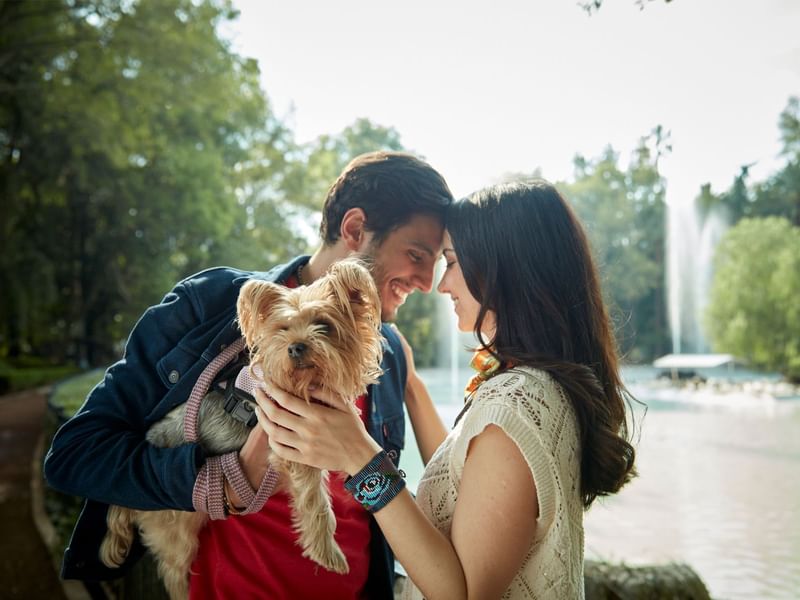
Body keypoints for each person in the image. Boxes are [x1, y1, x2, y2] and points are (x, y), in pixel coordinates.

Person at [43, 151, 454, 599]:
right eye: (416, 254)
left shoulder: (389, 352)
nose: (427, 281)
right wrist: (220, 480)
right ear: (354, 229)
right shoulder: (211, 306)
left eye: (436, 262)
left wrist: (401, 406)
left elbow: (387, 496)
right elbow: (74, 455)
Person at [258, 180, 638, 599]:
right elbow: (468, 495)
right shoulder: (532, 389)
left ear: (502, 271)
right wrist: (413, 389)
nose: (441, 285)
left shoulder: (517, 405)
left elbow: (464, 593)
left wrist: (360, 458)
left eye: (452, 262)